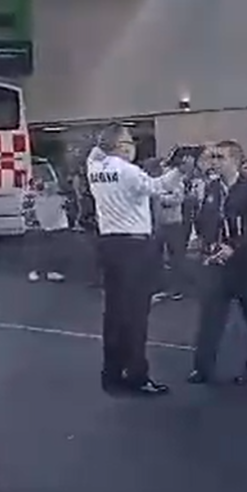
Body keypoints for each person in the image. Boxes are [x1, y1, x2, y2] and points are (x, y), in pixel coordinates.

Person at [86, 123, 188, 397]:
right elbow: (156, 187)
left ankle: (111, 374)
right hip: (134, 246)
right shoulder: (128, 171)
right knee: (135, 315)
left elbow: (98, 150)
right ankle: (137, 375)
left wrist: (109, 143)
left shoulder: (94, 167)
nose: (133, 146)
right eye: (129, 141)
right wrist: (180, 170)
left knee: (114, 313)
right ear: (120, 146)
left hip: (109, 243)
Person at [189, 144, 247, 385]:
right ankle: (202, 369)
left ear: (234, 161)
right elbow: (205, 220)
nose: (214, 162)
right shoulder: (212, 189)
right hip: (217, 266)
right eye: (213, 157)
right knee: (209, 319)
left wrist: (234, 247)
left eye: (220, 157)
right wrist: (206, 246)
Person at [152, 161, 190, 303]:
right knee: (157, 256)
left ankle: (178, 288)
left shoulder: (177, 184)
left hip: (173, 224)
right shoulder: (157, 184)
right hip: (159, 224)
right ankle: (160, 286)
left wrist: (161, 198)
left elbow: (178, 199)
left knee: (176, 257)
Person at [26, 176, 68, 283]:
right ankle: (37, 270)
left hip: (56, 226)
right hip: (46, 226)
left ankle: (51, 271)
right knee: (42, 250)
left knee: (53, 250)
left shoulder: (54, 196)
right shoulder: (36, 198)